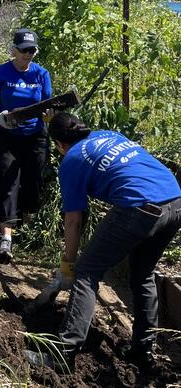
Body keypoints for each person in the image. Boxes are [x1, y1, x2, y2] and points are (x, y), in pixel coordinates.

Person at [29, 112, 181, 372]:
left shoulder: (72, 159)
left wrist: (69, 264)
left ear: (60, 144)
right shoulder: (109, 135)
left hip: (139, 207)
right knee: (143, 274)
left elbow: (73, 220)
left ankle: (62, 354)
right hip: (175, 200)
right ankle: (142, 351)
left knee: (87, 273)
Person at [0, 29, 52, 264]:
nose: (28, 55)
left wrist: (50, 117)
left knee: (33, 183)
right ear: (14, 50)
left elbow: (47, 105)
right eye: (23, 50)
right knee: (8, 181)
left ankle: (28, 224)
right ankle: (6, 237)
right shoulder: (2, 72)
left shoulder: (42, 74)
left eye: (32, 50)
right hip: (6, 136)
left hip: (35, 136)